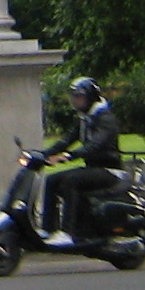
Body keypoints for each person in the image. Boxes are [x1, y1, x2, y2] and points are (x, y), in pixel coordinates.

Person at [40, 77, 122, 246]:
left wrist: (68, 156)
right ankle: (48, 229)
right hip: (92, 169)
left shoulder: (106, 119)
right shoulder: (85, 119)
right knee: (51, 180)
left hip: (109, 170)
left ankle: (68, 233)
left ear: (91, 97)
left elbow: (95, 145)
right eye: (75, 97)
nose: (76, 101)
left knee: (71, 181)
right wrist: (42, 155)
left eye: (79, 97)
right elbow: (67, 140)